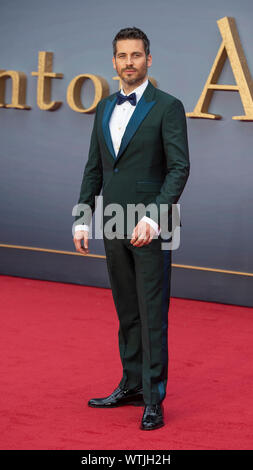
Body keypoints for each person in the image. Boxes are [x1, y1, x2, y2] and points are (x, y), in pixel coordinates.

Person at [73, 26, 190, 430]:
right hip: (111, 221)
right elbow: (95, 168)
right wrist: (81, 215)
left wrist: (153, 216)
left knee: (152, 312)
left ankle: (154, 398)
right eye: (122, 56)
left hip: (152, 223)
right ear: (113, 62)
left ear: (149, 59)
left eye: (136, 55)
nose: (129, 62)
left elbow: (179, 168)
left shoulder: (168, 106)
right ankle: (132, 384)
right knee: (127, 311)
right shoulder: (105, 107)